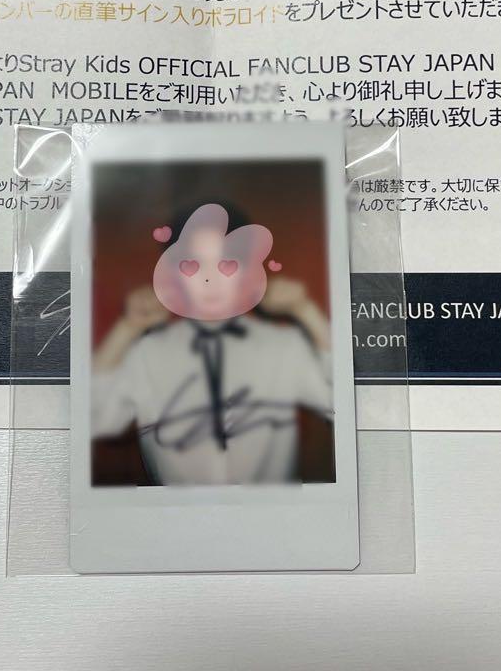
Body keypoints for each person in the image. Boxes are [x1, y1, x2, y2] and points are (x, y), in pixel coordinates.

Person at [91, 201, 333, 485]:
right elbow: (97, 420)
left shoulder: (285, 347)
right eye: (193, 265)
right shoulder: (147, 352)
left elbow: (343, 403)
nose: (210, 279)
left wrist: (306, 310)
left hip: (273, 508)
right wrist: (127, 327)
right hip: (176, 511)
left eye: (226, 264)